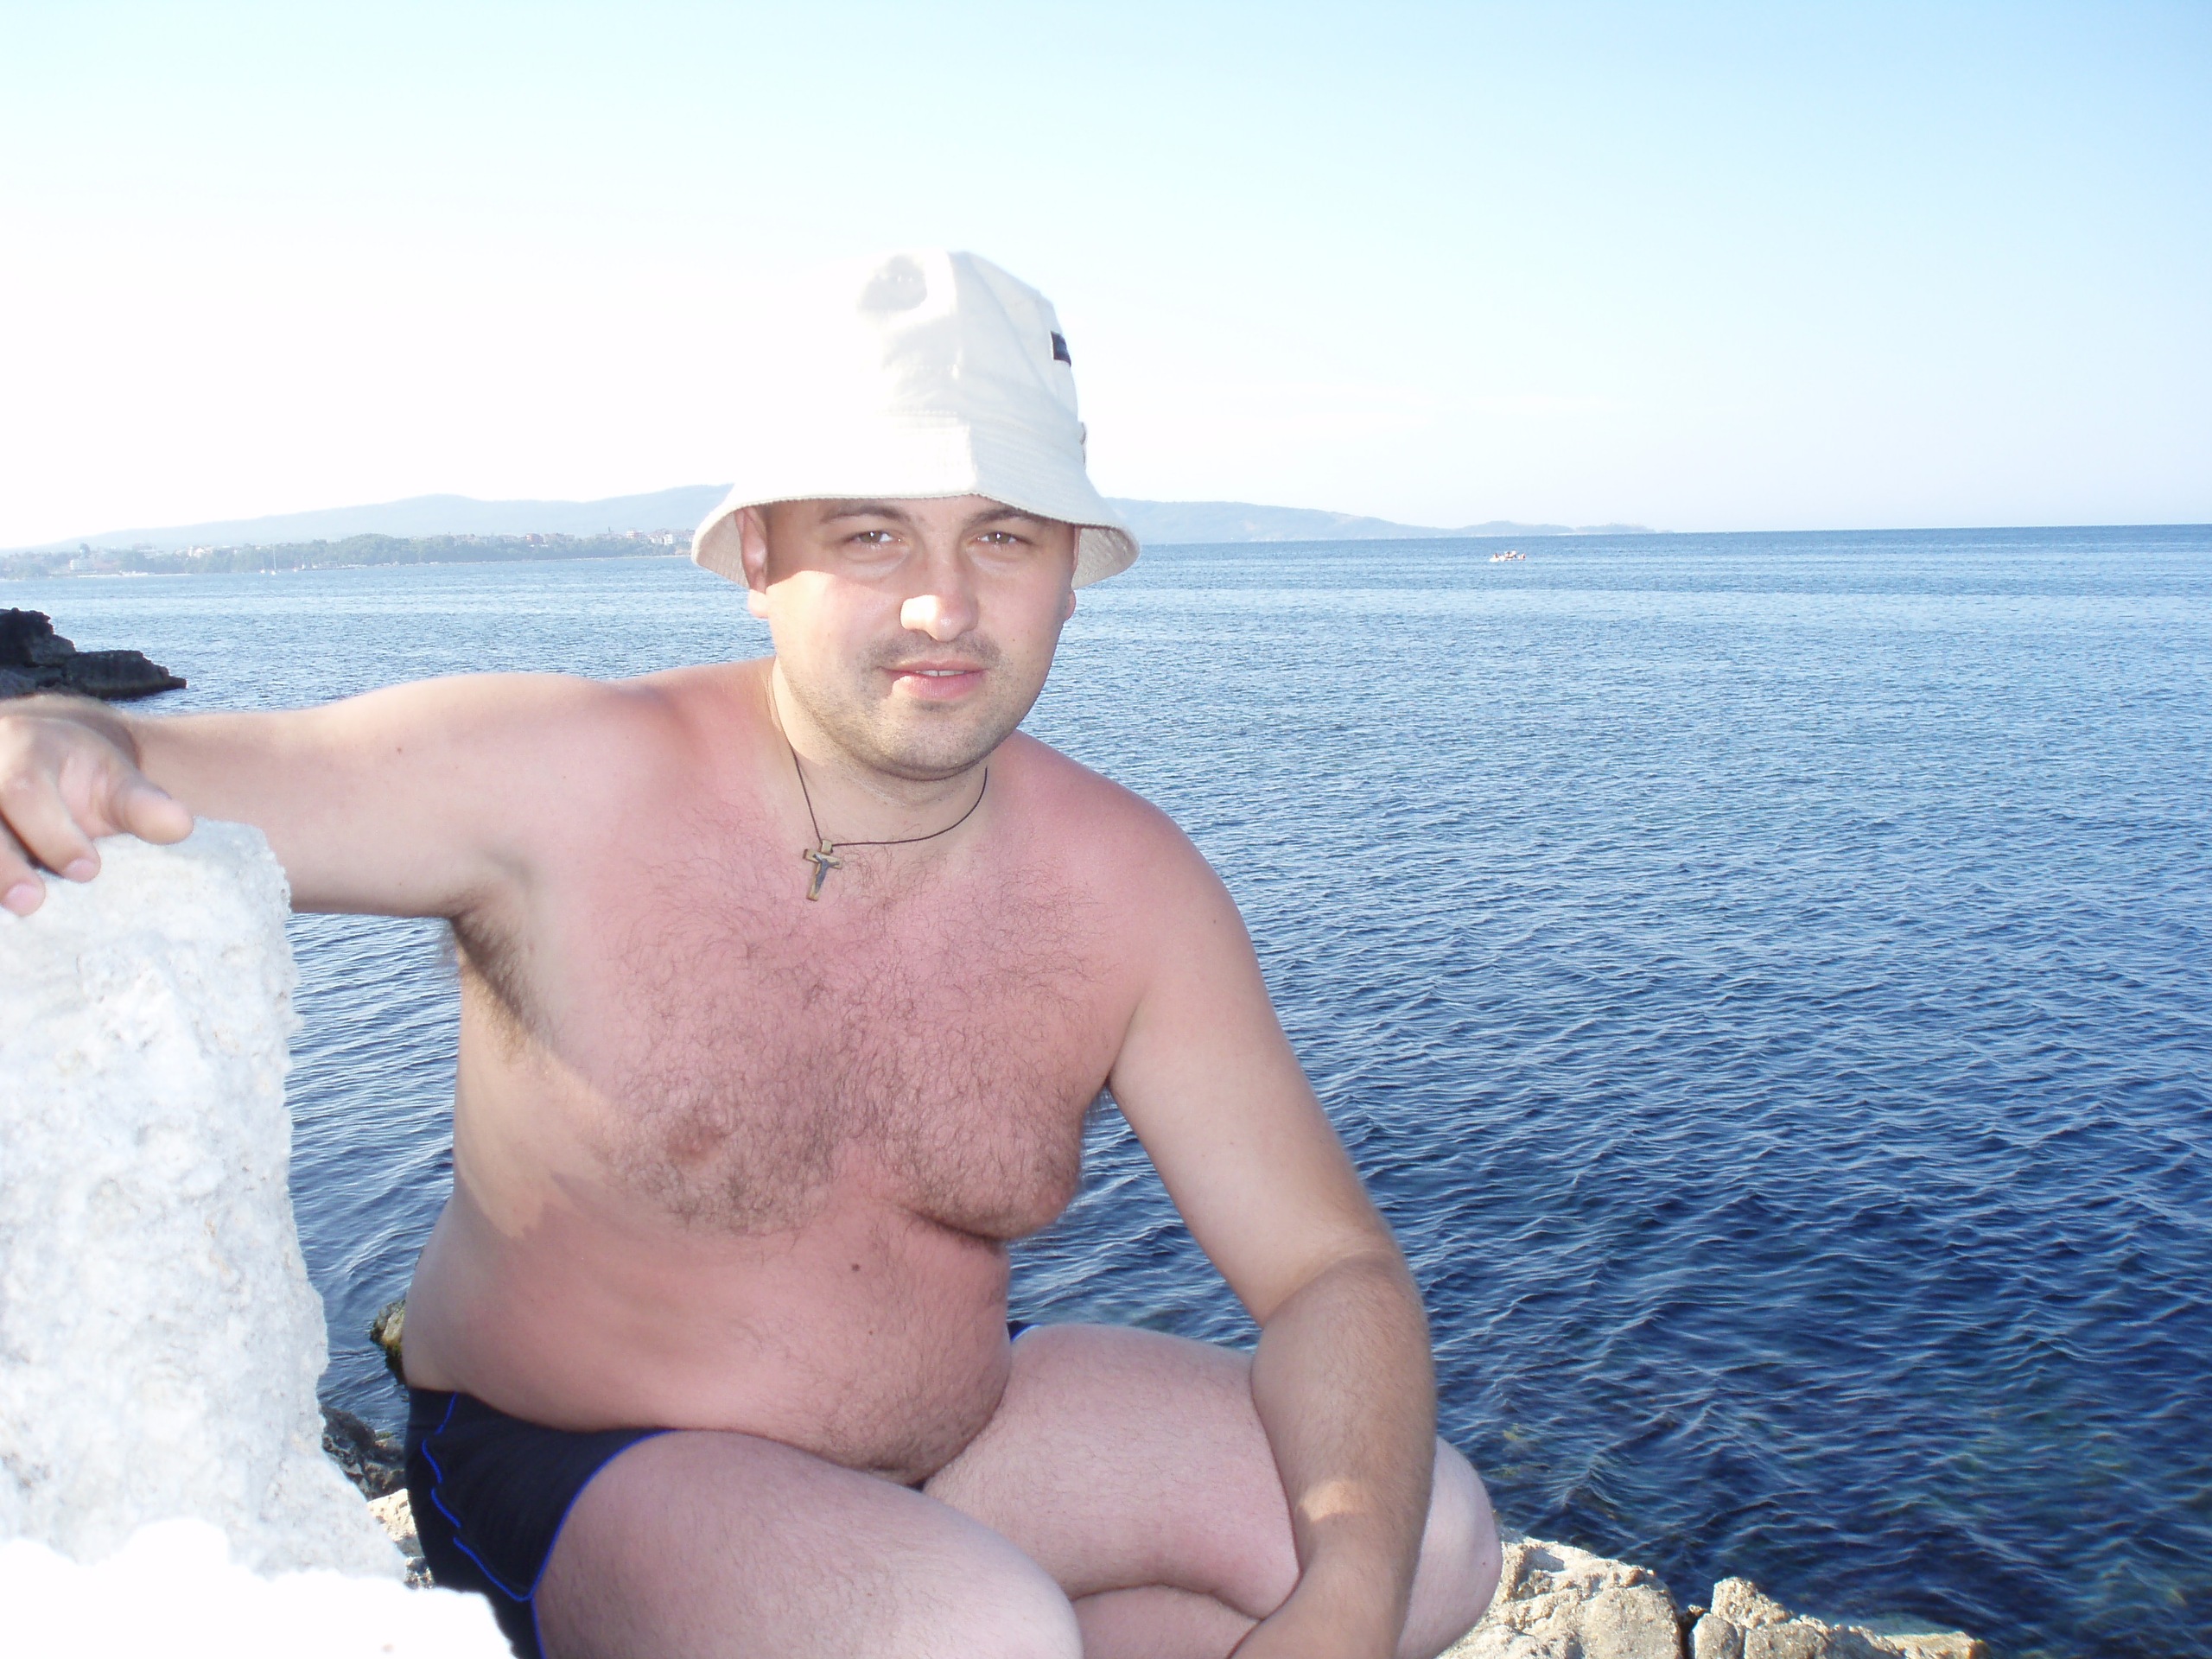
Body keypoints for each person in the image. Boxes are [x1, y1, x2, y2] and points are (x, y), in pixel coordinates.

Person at [0, 251, 1501, 1659]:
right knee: (971, 1634)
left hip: (955, 1444)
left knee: (1420, 1542)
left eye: (1003, 536)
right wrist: (53, 740)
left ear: (1070, 566)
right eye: (871, 533)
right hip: (589, 1471)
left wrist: (1344, 1609)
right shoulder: (565, 783)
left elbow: (1328, 1269)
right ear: (762, 556)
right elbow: (165, 760)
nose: (945, 605)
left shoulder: (1130, 885)